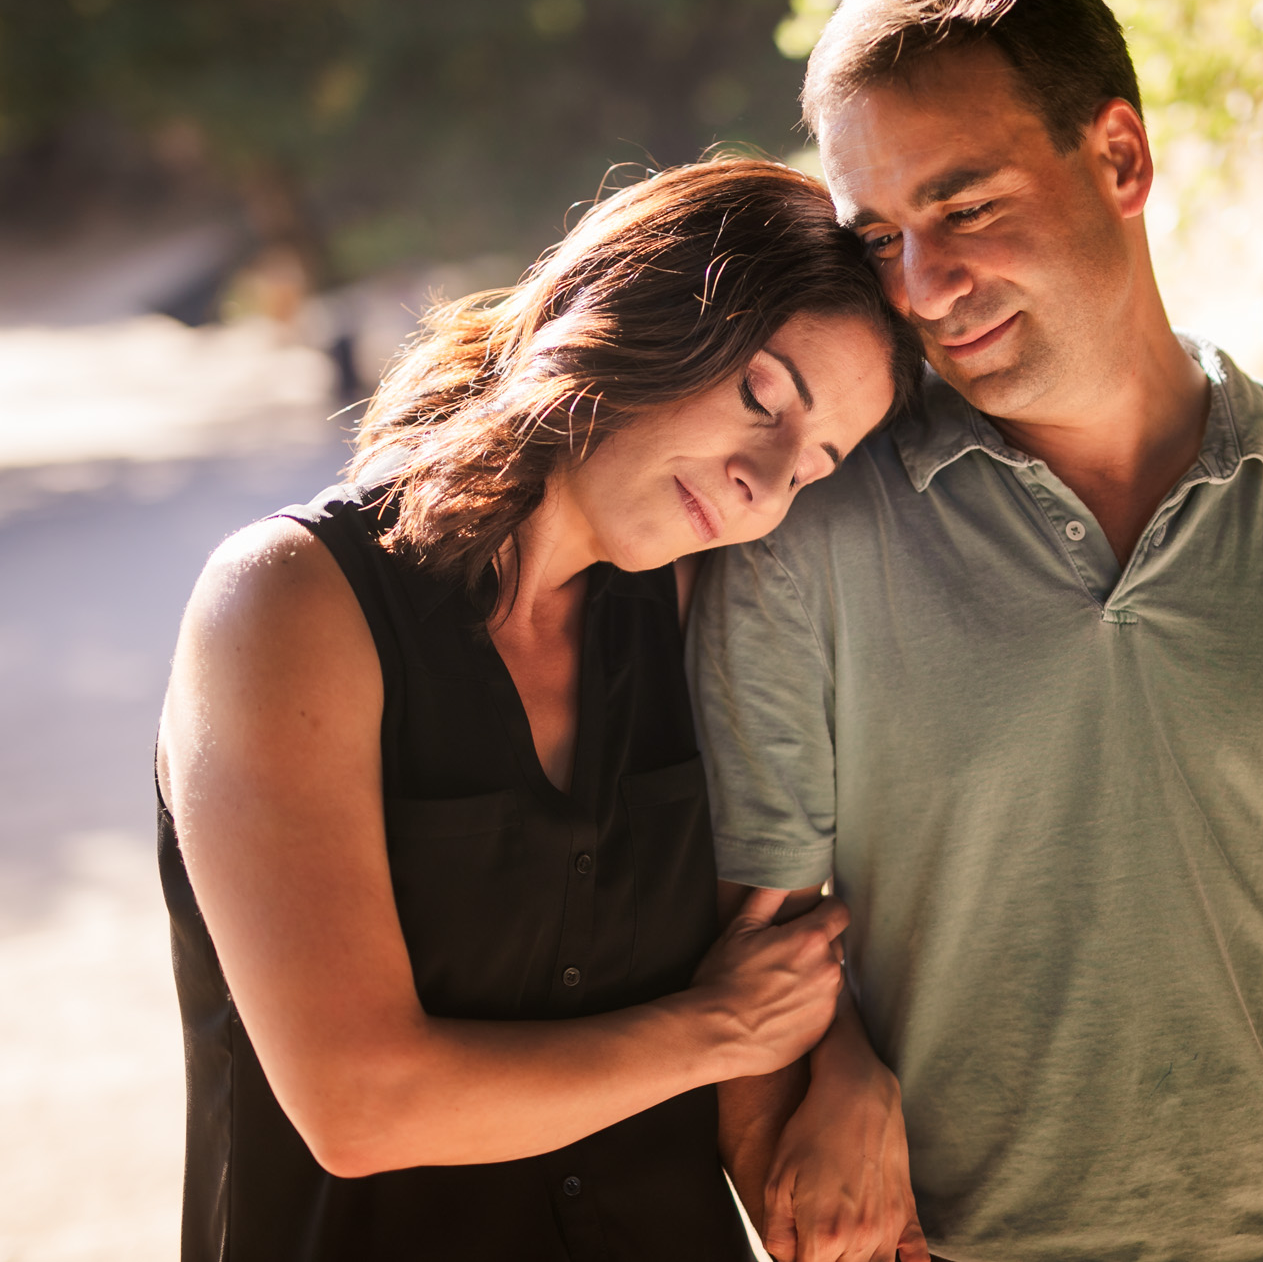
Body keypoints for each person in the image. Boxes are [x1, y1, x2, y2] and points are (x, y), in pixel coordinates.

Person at [690, 0, 1263, 1262]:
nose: (921, 284)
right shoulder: (807, 526)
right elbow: (756, 947)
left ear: (1122, 159)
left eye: (963, 207)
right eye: (880, 237)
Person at [156, 157, 922, 1262]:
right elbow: (361, 1108)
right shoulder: (289, 600)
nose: (764, 483)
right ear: (639, 303)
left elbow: (769, 937)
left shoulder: (705, 605)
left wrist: (848, 1059)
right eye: (763, 396)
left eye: (813, 465)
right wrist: (711, 1033)